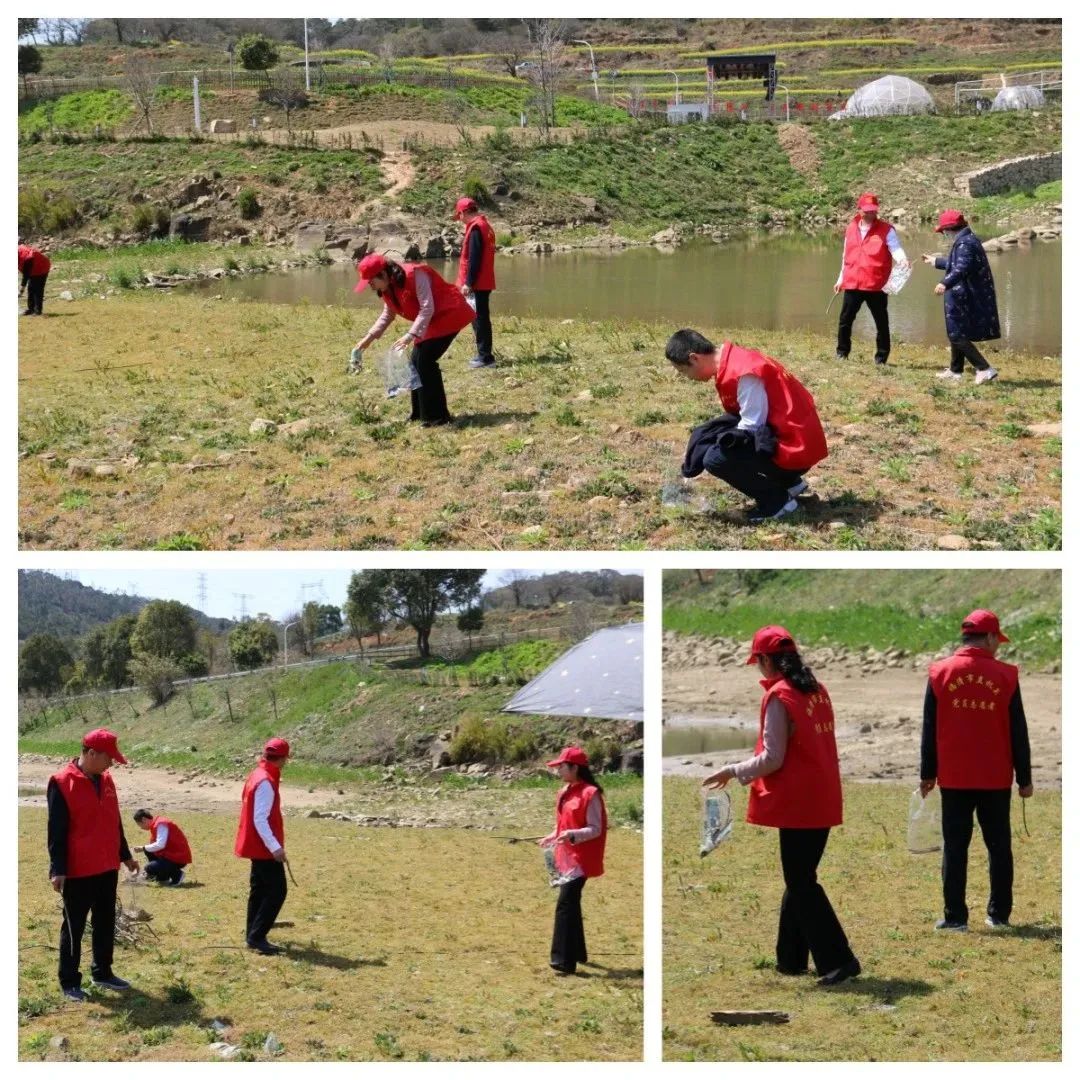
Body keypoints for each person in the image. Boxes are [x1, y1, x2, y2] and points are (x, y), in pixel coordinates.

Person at [704, 627, 860, 987]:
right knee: (800, 876)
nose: (757, 668)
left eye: (757, 661)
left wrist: (733, 771)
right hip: (823, 797)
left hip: (800, 803)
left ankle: (839, 961)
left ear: (765, 660)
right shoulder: (817, 691)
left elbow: (772, 758)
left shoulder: (779, 696)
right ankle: (790, 959)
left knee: (801, 881)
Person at [920, 609, 1032, 931]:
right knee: (999, 847)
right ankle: (999, 916)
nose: (999, 646)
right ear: (991, 638)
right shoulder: (1006, 676)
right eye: (998, 640)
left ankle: (955, 918)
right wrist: (1024, 779)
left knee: (955, 847)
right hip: (995, 778)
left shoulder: (939, 673)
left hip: (954, 778)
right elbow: (1018, 731)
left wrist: (928, 773)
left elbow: (930, 729)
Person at [666, 329, 828, 523]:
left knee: (715, 458)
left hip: (796, 448)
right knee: (712, 435)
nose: (686, 377)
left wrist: (716, 443)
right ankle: (789, 483)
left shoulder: (743, 372)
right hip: (796, 438)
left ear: (694, 358)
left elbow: (752, 424)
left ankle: (778, 502)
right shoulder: (735, 360)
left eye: (684, 371)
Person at [46, 729, 140, 1002]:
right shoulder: (62, 782)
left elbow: (115, 822)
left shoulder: (107, 781)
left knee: (104, 921)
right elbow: (57, 831)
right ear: (90, 753)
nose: (111, 764)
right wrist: (57, 869)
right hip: (78, 869)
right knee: (74, 925)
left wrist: (125, 856)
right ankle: (69, 981)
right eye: (108, 758)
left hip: (107, 866)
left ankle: (103, 972)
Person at [350, 252, 475, 426]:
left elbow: (427, 308)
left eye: (371, 281)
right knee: (416, 362)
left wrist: (410, 335)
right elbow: (388, 314)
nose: (370, 286)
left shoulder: (415, 275)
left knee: (425, 361)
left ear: (383, 274)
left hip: (450, 314)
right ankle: (419, 413)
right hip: (431, 321)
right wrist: (365, 342)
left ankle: (437, 417)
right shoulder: (388, 286)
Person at [539, 746, 608, 976]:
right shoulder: (564, 792)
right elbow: (562, 824)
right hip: (565, 857)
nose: (558, 770)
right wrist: (552, 835)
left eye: (562, 766)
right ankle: (578, 952)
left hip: (582, 859)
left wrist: (573, 835)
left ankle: (563, 960)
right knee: (572, 902)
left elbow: (596, 828)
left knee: (565, 904)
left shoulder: (591, 793)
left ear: (575, 768)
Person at [921, 210, 1001, 385]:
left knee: (956, 333)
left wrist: (944, 283)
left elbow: (961, 268)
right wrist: (935, 261)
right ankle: (955, 371)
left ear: (950, 229)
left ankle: (985, 369)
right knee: (956, 332)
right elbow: (956, 263)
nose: (944, 235)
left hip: (965, 294)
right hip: (963, 292)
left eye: (943, 232)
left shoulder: (965, 243)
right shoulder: (967, 240)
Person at [834, 193, 909, 365]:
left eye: (873, 211)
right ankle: (842, 352)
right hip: (853, 283)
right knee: (845, 320)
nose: (870, 214)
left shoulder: (886, 229)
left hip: (876, 285)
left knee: (881, 323)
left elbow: (895, 248)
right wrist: (840, 280)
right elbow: (846, 255)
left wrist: (902, 259)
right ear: (859, 210)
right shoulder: (851, 228)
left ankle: (881, 358)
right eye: (866, 211)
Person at [235, 738, 292, 954]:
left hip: (256, 843)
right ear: (283, 759)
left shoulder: (257, 774)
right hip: (263, 846)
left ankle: (253, 933)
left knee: (259, 889)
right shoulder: (266, 781)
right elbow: (260, 818)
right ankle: (257, 936)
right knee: (277, 890)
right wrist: (275, 847)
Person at [454, 196, 497, 369]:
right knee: (480, 318)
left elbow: (474, 259)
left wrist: (468, 283)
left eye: (459, 216)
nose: (459, 220)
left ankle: (485, 357)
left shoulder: (476, 229)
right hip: (483, 280)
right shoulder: (484, 225)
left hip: (477, 283)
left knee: (479, 319)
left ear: (463, 212)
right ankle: (484, 354)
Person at [132, 808, 191, 886]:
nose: (140, 827)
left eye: (139, 824)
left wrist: (143, 848)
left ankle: (177, 875)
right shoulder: (156, 825)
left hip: (179, 858)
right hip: (172, 855)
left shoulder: (160, 824)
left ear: (144, 819)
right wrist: (145, 848)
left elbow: (160, 845)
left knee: (149, 867)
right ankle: (163, 877)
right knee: (148, 851)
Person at [19, 242, 51, 316]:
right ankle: (31, 309)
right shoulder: (19, 253)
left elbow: (26, 275)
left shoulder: (26, 258)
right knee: (30, 288)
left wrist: (21, 290)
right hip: (34, 268)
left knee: (37, 290)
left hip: (42, 267)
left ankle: (38, 311)